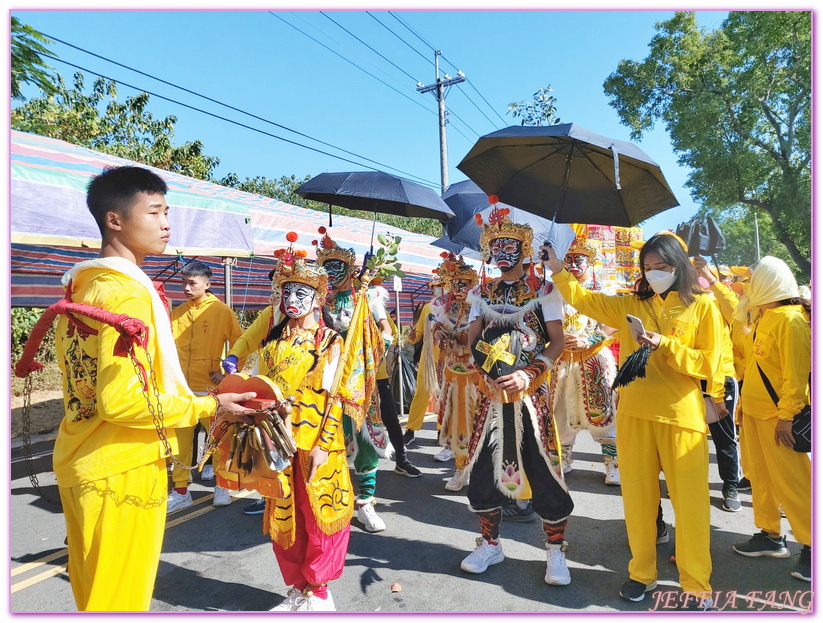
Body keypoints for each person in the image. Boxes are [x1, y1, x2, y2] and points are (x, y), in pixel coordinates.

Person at [47, 166, 254, 611]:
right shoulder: (127, 294)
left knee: (96, 598)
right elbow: (122, 399)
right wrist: (208, 405)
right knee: (118, 604)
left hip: (81, 455)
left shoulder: (85, 285)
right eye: (155, 211)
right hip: (121, 465)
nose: (166, 223)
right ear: (114, 220)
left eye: (167, 212)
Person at [543, 231, 723, 610]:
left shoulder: (703, 306)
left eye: (662, 267)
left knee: (690, 505)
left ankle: (696, 584)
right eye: (648, 267)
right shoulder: (630, 304)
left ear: (679, 266)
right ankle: (641, 573)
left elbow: (710, 363)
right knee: (638, 502)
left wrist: (666, 344)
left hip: (681, 417)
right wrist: (558, 270)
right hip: (634, 414)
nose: (654, 273)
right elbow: (586, 300)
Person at [460, 205, 574, 586]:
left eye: (510, 244)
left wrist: (528, 373)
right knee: (481, 473)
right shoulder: (481, 292)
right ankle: (491, 544)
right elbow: (474, 340)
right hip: (491, 399)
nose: (503, 251)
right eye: (496, 245)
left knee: (543, 472)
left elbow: (556, 343)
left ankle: (555, 552)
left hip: (530, 400)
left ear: (525, 250)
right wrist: (480, 371)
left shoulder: (545, 290)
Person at [247, 235, 353, 612]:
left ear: (318, 299)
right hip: (277, 443)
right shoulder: (271, 343)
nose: (292, 300)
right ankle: (297, 588)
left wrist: (324, 444)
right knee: (283, 513)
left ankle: (319, 591)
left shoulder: (330, 343)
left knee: (318, 514)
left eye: (301, 293)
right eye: (287, 291)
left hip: (315, 444)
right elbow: (260, 390)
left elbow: (335, 401)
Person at [316, 228, 420, 534]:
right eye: (327, 268)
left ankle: (365, 504)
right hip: (323, 381)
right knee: (323, 442)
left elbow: (387, 331)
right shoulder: (317, 299)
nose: (332, 274)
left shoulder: (367, 298)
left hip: (360, 381)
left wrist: (378, 344)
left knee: (364, 444)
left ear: (351, 270)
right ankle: (327, 501)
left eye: (338, 267)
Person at [729, 256, 811, 583]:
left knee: (794, 484)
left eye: (754, 281)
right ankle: (770, 535)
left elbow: (797, 377)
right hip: (754, 415)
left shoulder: (791, 321)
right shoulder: (767, 317)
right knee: (760, 478)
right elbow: (748, 357)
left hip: (779, 420)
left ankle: (812, 544)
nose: (749, 287)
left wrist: (787, 417)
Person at [168, 260, 245, 512]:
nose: (187, 288)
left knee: (218, 440)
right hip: (181, 389)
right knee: (180, 444)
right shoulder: (176, 313)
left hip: (210, 390)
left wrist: (226, 374)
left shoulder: (221, 311)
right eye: (184, 282)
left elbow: (240, 343)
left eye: (193, 283)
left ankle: (222, 485)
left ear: (207, 284)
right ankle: (180, 491)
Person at [548, 233, 620, 485]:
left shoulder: (604, 289)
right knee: (560, 410)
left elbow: (614, 322)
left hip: (592, 357)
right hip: (561, 358)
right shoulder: (554, 289)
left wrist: (589, 339)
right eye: (568, 259)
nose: (574, 264)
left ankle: (613, 463)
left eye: (580, 259)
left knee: (602, 410)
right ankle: (563, 457)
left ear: (591, 261)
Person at [223, 266, 286, 516]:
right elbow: (249, 337)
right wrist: (234, 354)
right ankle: (267, 493)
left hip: (307, 391)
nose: (289, 296)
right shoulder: (271, 314)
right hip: (271, 387)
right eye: (283, 288)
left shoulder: (319, 317)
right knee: (265, 441)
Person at [692, 258, 744, 512]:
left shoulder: (718, 301)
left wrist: (711, 279)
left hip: (721, 380)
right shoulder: (682, 301)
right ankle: (691, 484)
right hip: (689, 378)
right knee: (689, 437)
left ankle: (730, 486)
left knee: (724, 439)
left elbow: (736, 312)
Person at [429, 253, 480, 490]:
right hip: (453, 376)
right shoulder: (448, 308)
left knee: (481, 425)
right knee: (457, 424)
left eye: (463, 283)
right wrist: (439, 334)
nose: (458, 288)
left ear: (473, 284)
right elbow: (438, 333)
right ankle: (461, 470)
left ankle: (481, 470)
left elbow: (493, 342)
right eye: (454, 283)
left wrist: (467, 346)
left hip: (478, 378)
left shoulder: (482, 309)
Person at [404, 275, 444, 451]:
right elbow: (418, 333)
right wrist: (412, 336)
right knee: (421, 393)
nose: (441, 289)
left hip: (448, 358)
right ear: (432, 288)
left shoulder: (454, 308)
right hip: (428, 358)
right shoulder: (428, 308)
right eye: (437, 286)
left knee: (445, 397)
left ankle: (442, 431)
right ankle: (411, 429)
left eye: (443, 285)